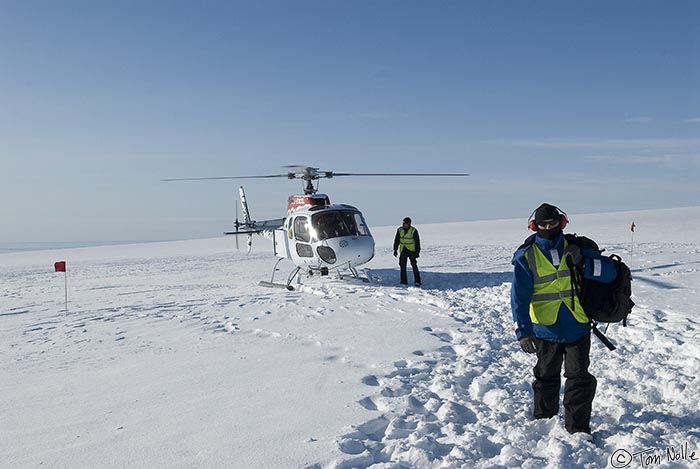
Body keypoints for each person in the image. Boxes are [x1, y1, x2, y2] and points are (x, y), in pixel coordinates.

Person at [510, 203, 617, 435]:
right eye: (543, 224)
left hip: (577, 326)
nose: (548, 227)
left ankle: (577, 428)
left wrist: (583, 263)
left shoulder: (579, 248)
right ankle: (543, 420)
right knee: (546, 376)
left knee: (578, 378)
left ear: (562, 223)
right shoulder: (526, 257)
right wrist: (523, 331)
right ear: (534, 226)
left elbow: (610, 273)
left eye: (553, 223)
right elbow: (518, 297)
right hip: (545, 330)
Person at [393, 217, 421, 286]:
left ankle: (417, 281)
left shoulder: (413, 231)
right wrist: (395, 249)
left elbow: (417, 242)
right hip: (403, 250)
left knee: (414, 266)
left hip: (411, 251)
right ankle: (403, 281)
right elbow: (397, 240)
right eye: (403, 223)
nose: (403, 224)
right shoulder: (399, 230)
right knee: (402, 266)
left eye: (405, 223)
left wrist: (417, 252)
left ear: (409, 224)